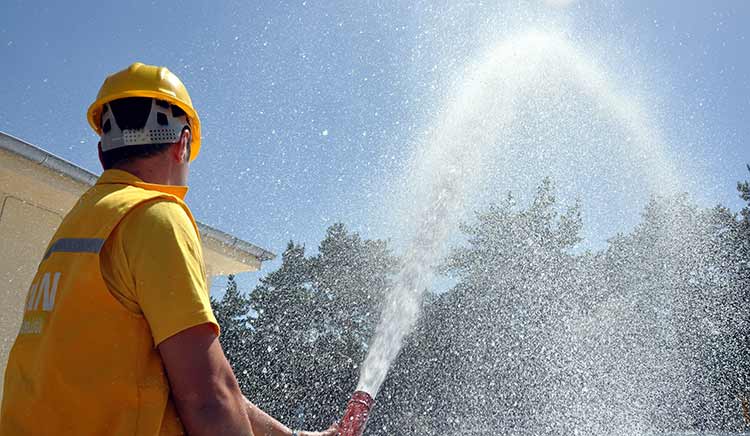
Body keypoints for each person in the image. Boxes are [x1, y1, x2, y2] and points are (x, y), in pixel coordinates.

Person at [0, 62, 338, 436]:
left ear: (102, 153)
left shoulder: (83, 222)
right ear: (182, 144)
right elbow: (207, 398)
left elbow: (197, 383)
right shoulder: (155, 217)